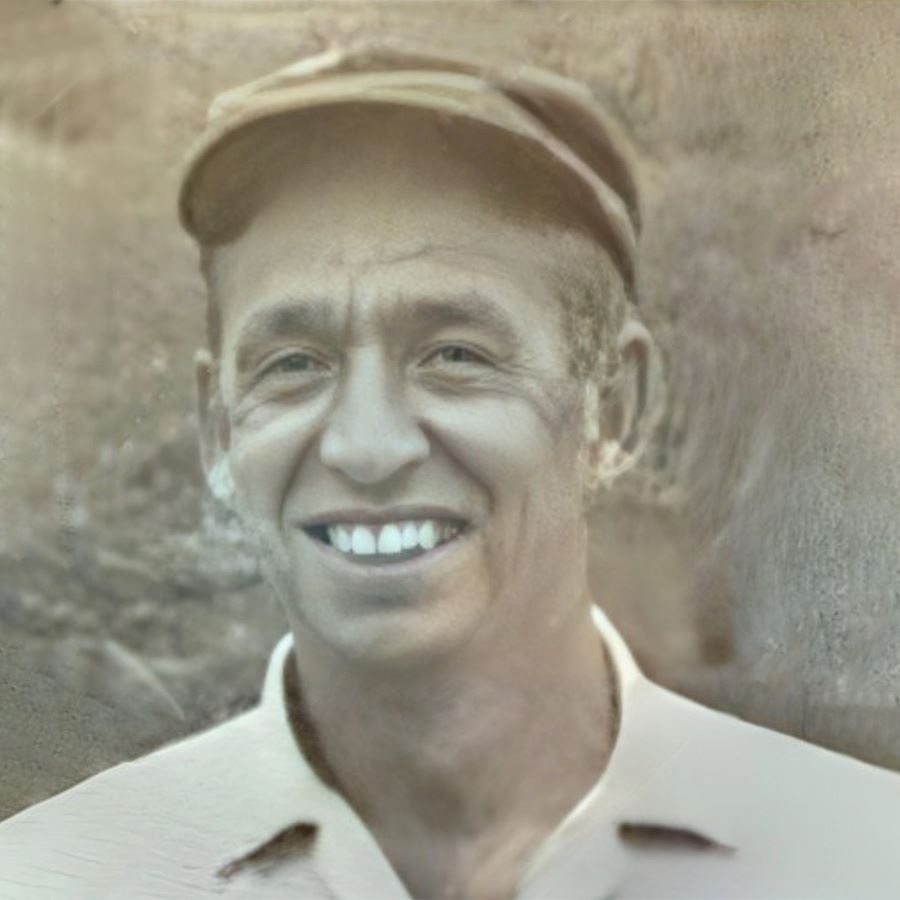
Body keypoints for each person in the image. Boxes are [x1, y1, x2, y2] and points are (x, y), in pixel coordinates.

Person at [2, 43, 900, 900]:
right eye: (294, 364)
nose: (366, 447)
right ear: (216, 427)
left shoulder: (857, 860)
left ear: (616, 408)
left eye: (456, 355)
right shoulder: (52, 878)